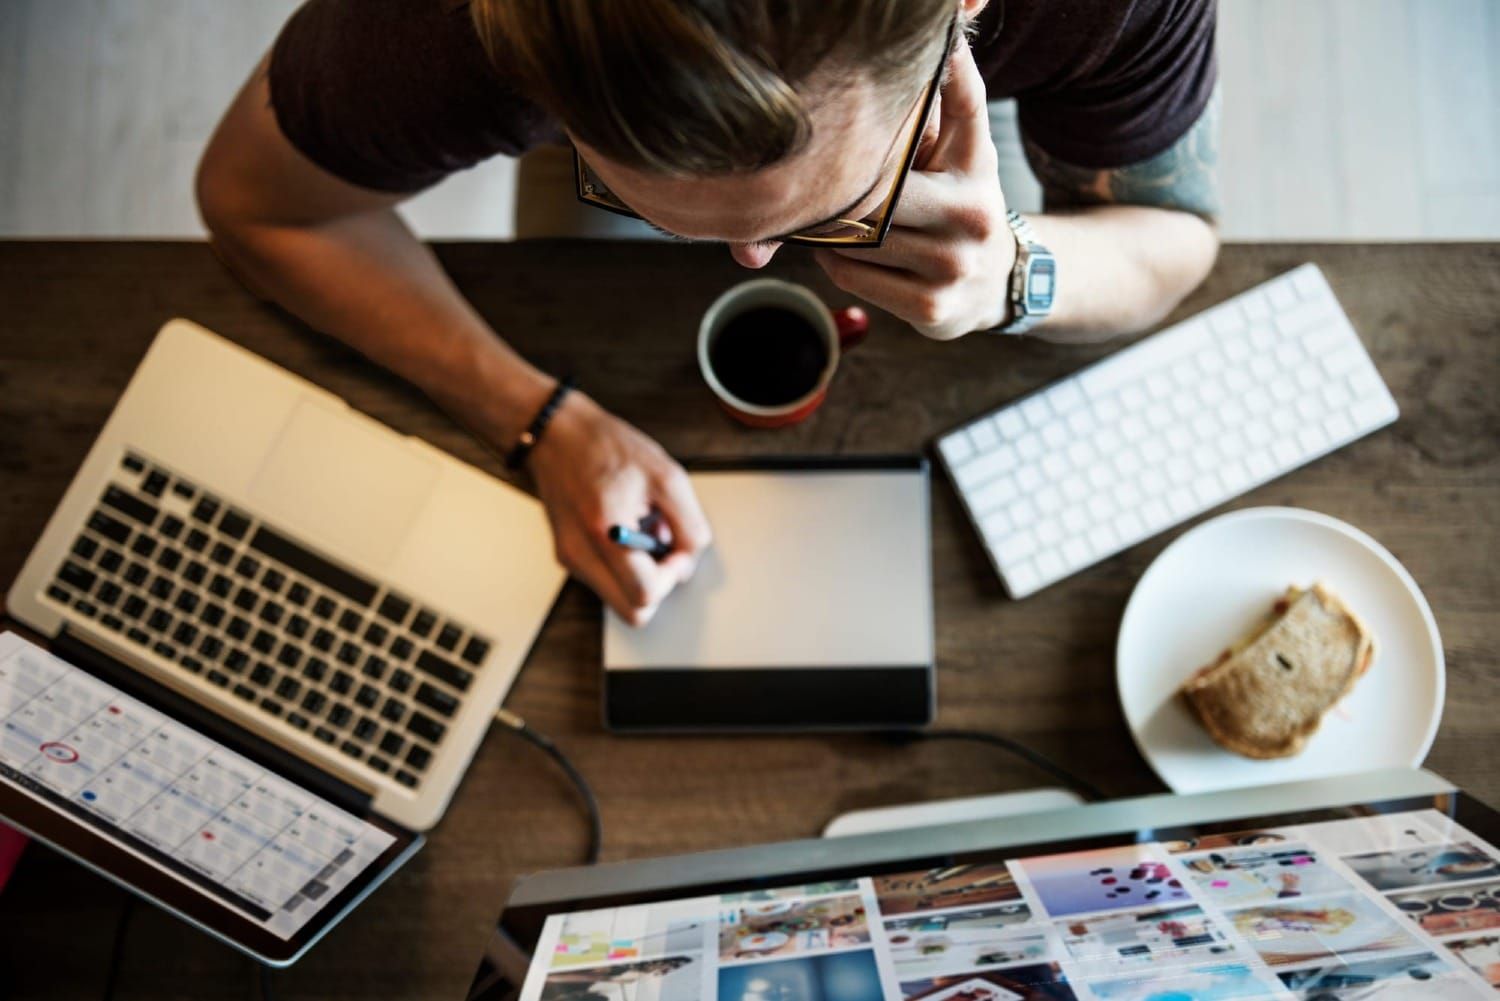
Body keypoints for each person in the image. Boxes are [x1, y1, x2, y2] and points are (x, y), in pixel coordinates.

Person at [197, 0, 1220, 626]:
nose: (757, 262)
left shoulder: (1107, 4)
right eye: (649, 198)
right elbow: (256, 204)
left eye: (829, 213)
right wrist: (541, 417)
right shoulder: (437, 33)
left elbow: (1172, 242)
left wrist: (1015, 273)